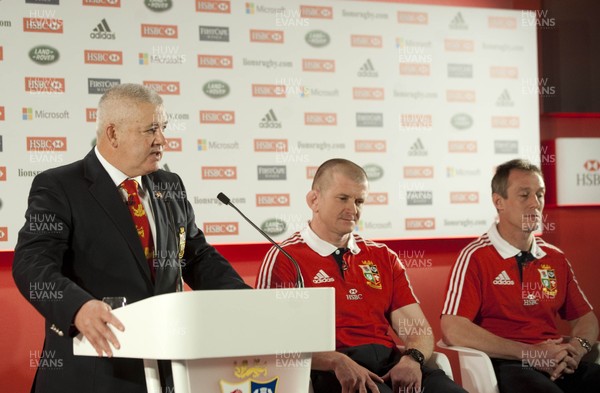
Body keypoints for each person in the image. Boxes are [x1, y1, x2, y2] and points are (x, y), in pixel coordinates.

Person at [12, 83, 250, 393]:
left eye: (163, 128)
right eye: (151, 130)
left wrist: (246, 301)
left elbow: (196, 256)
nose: (162, 140)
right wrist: (77, 308)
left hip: (164, 370)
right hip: (94, 372)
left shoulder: (169, 184)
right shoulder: (60, 186)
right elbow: (31, 263)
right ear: (112, 133)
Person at [256, 158, 465, 393]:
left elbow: (417, 329)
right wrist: (336, 361)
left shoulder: (383, 256)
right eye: (343, 198)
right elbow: (271, 342)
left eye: (359, 201)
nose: (353, 210)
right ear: (314, 200)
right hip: (334, 371)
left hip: (389, 365)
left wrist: (412, 359)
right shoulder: (284, 257)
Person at [441, 158, 599, 393]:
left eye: (540, 194)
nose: (535, 203)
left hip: (558, 361)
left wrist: (577, 348)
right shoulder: (475, 257)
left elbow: (585, 318)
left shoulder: (555, 257)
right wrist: (530, 353)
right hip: (510, 364)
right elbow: (452, 327)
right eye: (524, 195)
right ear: (499, 202)